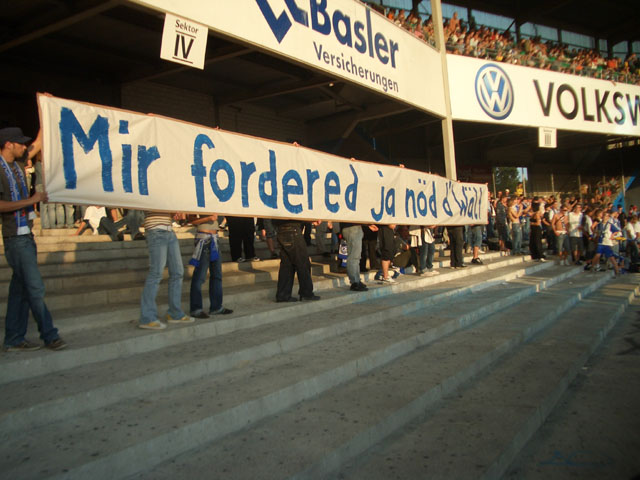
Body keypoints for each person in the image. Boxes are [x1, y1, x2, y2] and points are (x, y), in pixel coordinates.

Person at [0, 127, 66, 351]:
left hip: (26, 236)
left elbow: (37, 143)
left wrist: (46, 113)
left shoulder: (18, 163)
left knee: (19, 292)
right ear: (8, 144)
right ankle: (49, 335)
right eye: (19, 143)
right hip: (15, 238)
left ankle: (13, 338)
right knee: (35, 288)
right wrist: (31, 201)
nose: (24, 146)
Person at [139, 211, 194, 329]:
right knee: (156, 273)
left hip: (169, 230)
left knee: (178, 272)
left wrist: (174, 213)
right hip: (155, 230)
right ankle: (147, 317)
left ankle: (175, 313)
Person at [188, 213, 232, 318]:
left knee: (217, 275)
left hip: (215, 238)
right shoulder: (200, 205)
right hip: (203, 238)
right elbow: (191, 220)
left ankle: (216, 307)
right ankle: (196, 308)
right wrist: (208, 218)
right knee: (200, 276)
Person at [273, 218, 320, 302]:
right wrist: (311, 219)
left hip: (281, 229)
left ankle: (283, 295)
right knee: (302, 262)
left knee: (287, 264)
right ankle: (306, 293)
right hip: (292, 229)